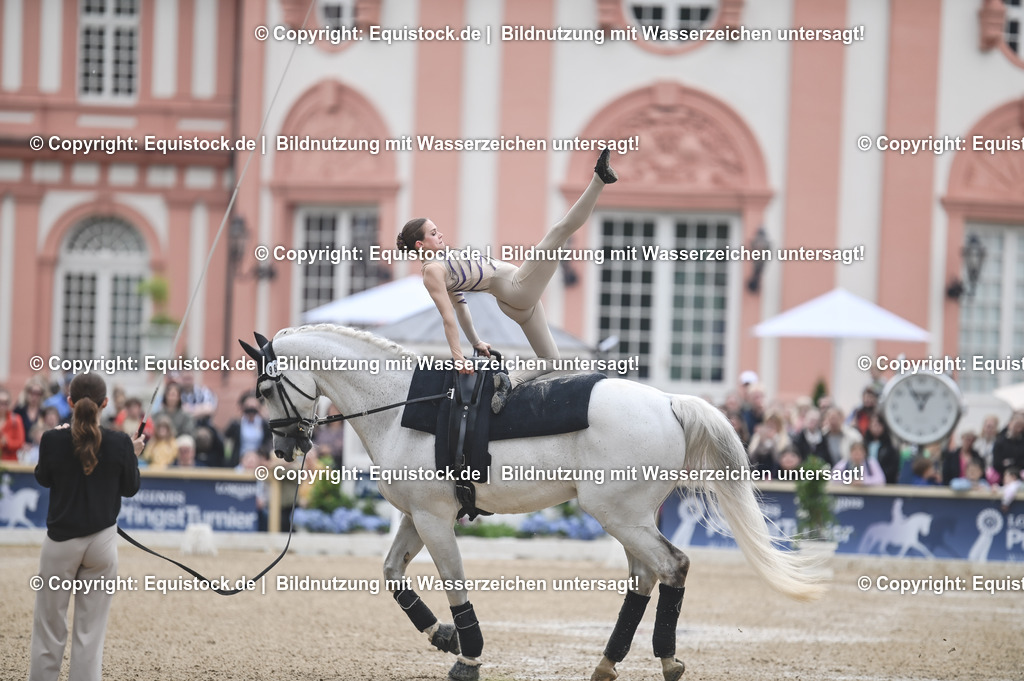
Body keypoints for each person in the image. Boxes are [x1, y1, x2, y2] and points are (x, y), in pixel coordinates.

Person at [396, 148, 618, 413]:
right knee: (559, 231)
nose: (440, 234)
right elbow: (448, 317)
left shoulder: (441, 264)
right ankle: (599, 179)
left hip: (516, 298)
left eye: (438, 229)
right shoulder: (432, 270)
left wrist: (476, 342)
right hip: (517, 289)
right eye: (433, 233)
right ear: (420, 245)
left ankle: (508, 384)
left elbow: (461, 307)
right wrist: (457, 357)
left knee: (550, 359)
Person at [29, 373, 144, 681]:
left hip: (60, 542)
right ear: (105, 404)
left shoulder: (52, 439)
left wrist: (57, 437)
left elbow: (44, 478)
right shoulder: (121, 442)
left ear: (70, 402)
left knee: (48, 629)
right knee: (90, 634)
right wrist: (131, 456)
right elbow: (130, 488)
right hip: (102, 544)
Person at [224, 391, 272, 468]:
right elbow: (226, 439)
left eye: (254, 408)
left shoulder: (264, 424)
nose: (251, 411)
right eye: (248, 408)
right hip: (239, 461)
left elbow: (269, 442)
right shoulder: (236, 424)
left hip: (259, 462)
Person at [0, 386, 26, 461]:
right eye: (0, 403)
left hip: (10, 462)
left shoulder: (16, 419)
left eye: (5, 403)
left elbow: (20, 442)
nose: (2, 406)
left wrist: (8, 442)